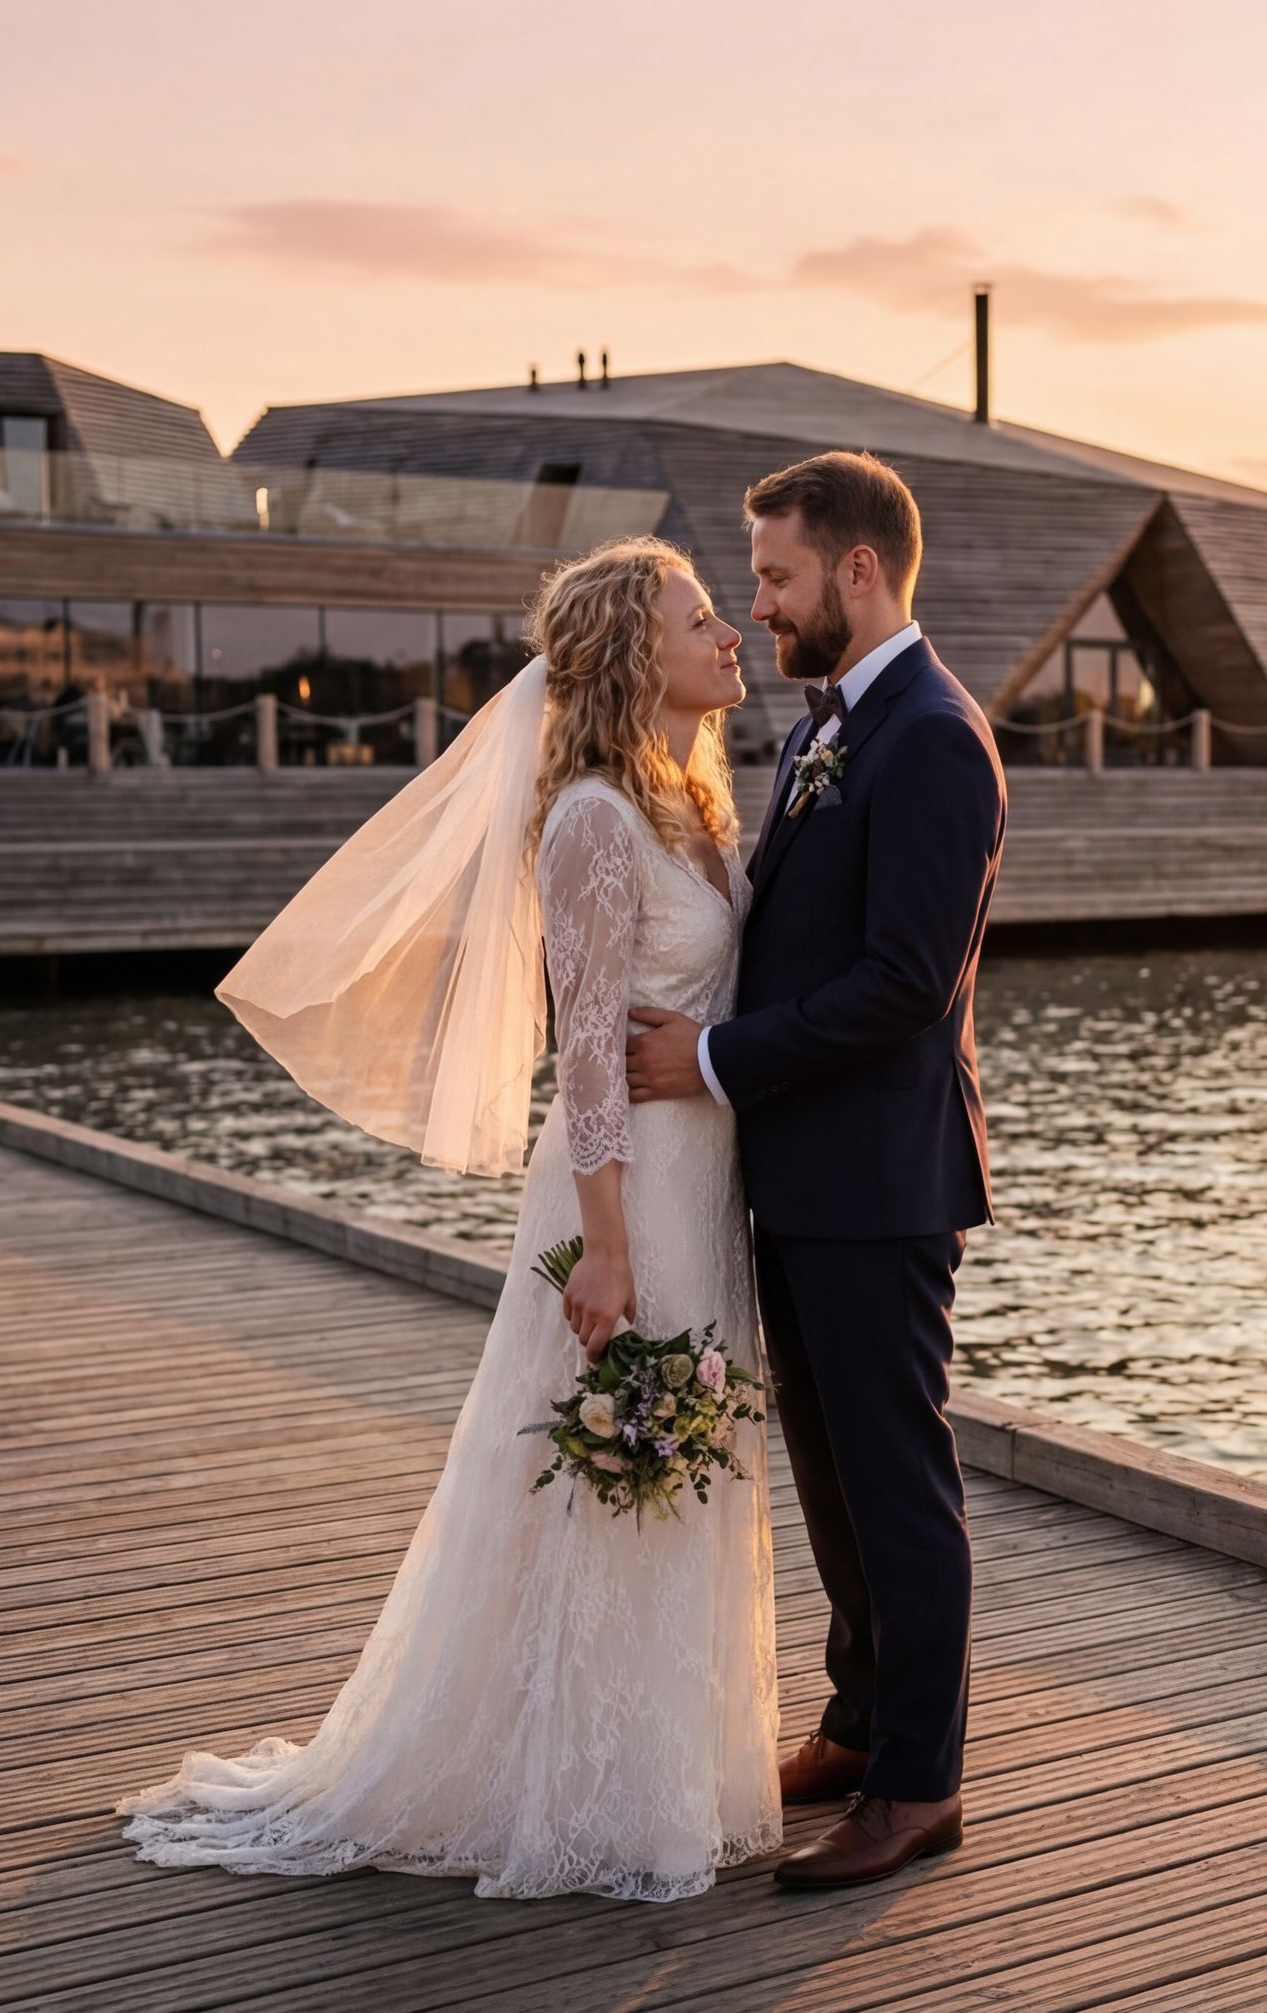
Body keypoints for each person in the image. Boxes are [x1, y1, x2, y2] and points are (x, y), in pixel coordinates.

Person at [118, 536, 780, 1901]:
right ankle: (572, 1784)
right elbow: (586, 1048)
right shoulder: (593, 816)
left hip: (707, 1183)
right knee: (609, 1462)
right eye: (699, 615)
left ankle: (664, 1766)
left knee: (686, 1463)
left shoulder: (699, 806)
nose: (729, 633)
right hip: (630, 1188)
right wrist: (604, 1244)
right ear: (628, 655)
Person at [626, 450, 1006, 1889]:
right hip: (802, 1178)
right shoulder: (824, 729)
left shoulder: (930, 737)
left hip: (882, 1181)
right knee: (835, 1479)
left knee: (899, 1483)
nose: (762, 608)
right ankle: (857, 1719)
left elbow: (908, 981)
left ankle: (922, 1782)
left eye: (778, 578)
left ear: (857, 569)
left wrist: (715, 1063)